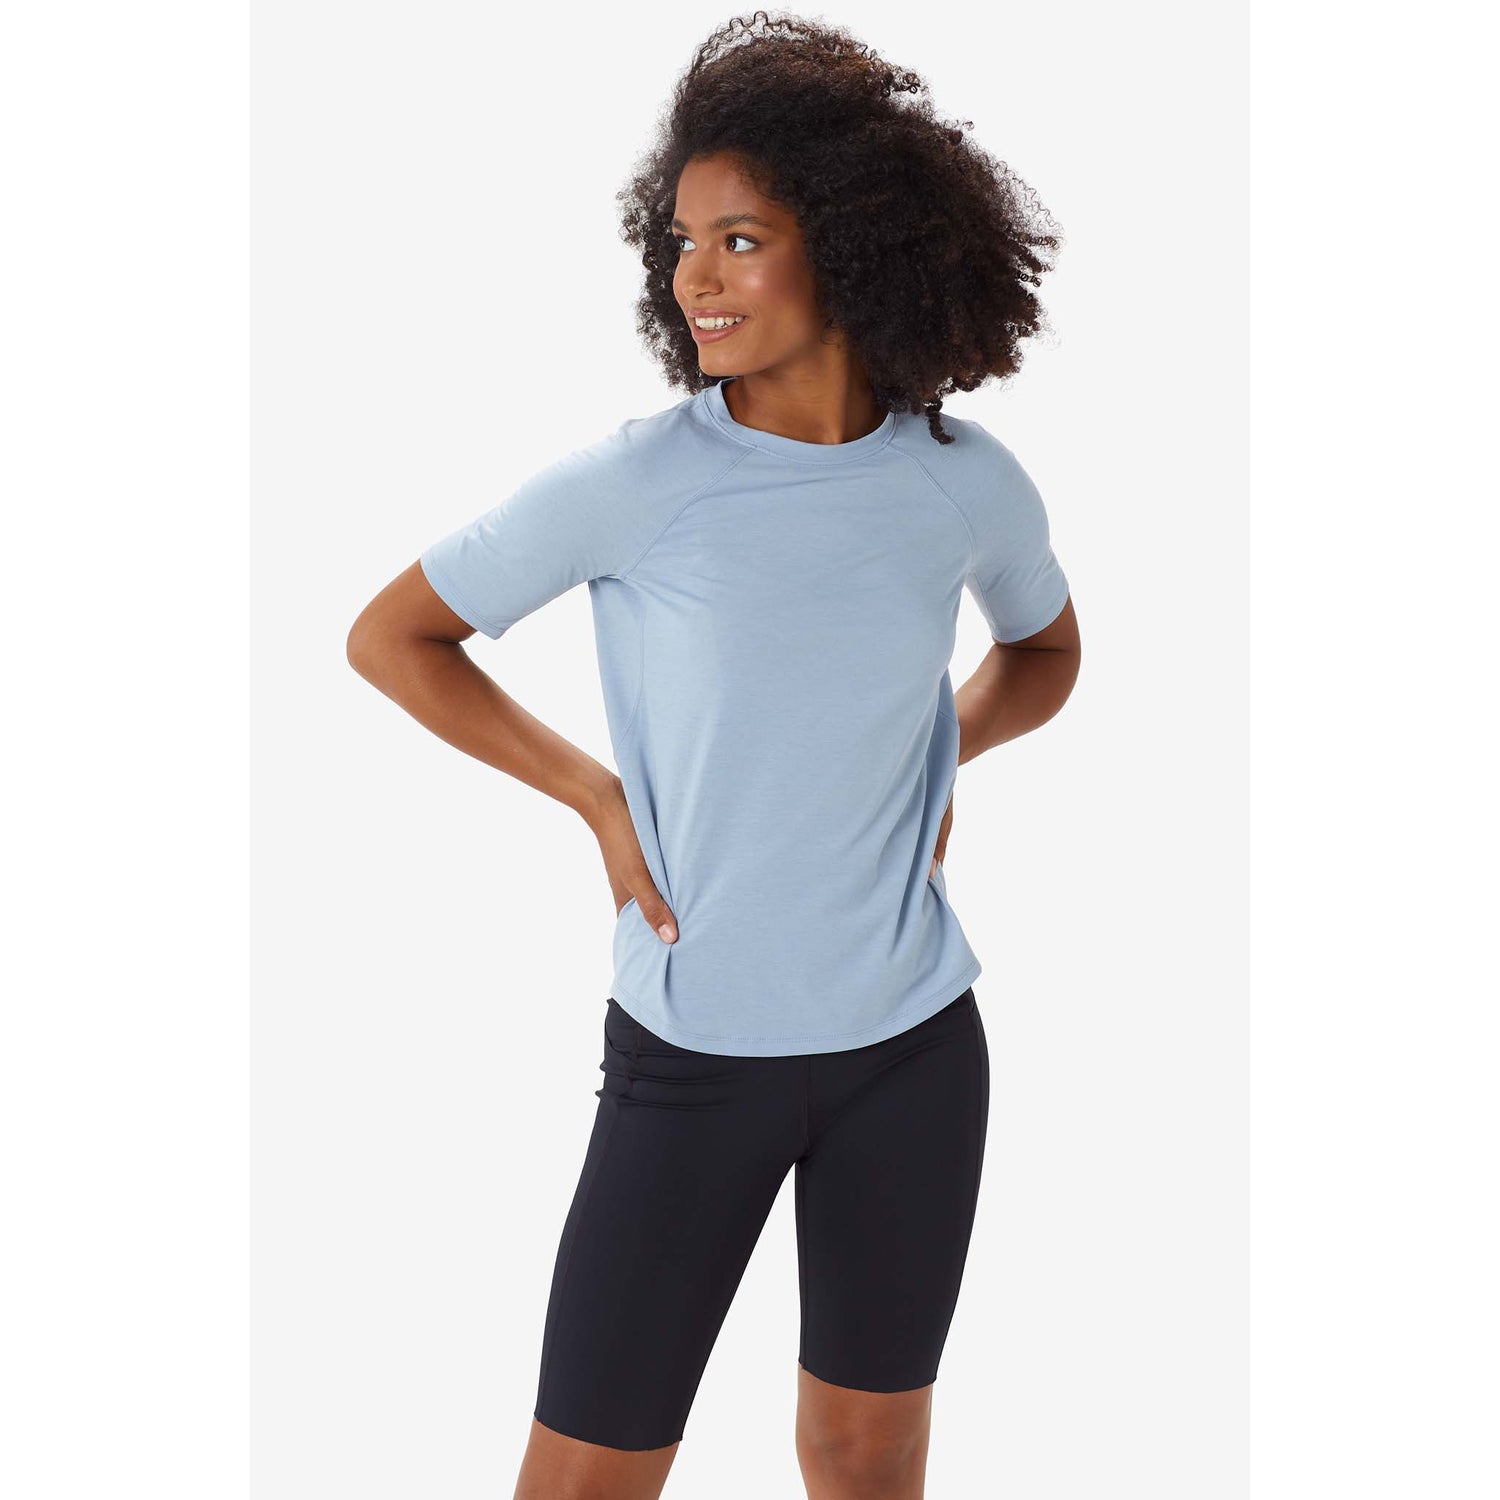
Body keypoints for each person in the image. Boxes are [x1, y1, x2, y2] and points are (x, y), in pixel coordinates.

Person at [347, 14, 1082, 1499]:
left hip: (913, 1051)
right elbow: (394, 636)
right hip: (691, 1060)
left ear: (857, 251)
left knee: (866, 1455)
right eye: (684, 243)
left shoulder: (963, 484)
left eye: (741, 241)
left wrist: (941, 745)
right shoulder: (640, 483)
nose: (697, 278)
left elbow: (1046, 652)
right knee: (587, 1474)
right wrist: (592, 793)